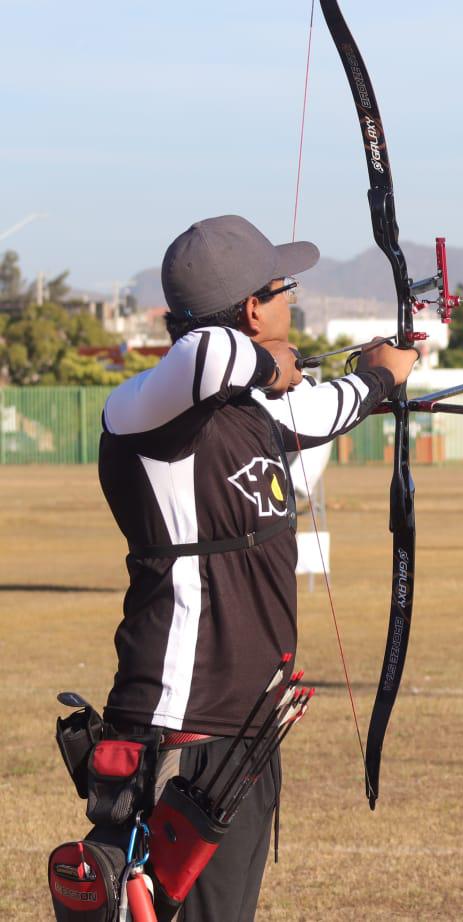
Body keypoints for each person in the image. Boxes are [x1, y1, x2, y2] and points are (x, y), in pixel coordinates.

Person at [90, 214, 417, 921]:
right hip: (182, 725)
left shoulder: (251, 414)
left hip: (242, 724)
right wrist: (272, 362)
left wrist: (382, 376)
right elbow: (209, 355)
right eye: (282, 291)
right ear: (250, 309)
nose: (291, 304)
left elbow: (327, 406)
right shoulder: (149, 410)